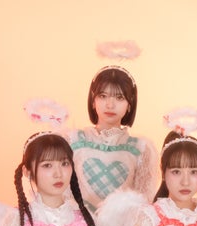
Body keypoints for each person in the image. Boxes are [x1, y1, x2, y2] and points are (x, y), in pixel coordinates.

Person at [66, 65, 158, 211]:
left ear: (130, 104)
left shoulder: (141, 149)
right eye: (103, 96)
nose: (110, 105)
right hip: (77, 224)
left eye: (119, 97)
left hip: (123, 224)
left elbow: (143, 203)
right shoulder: (72, 141)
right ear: (93, 101)